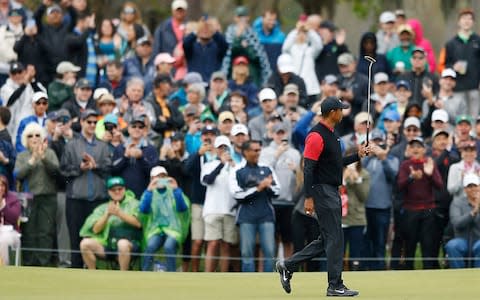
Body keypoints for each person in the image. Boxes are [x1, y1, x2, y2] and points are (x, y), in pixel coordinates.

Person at [276, 96, 369, 297]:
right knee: (335, 238)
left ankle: (288, 265)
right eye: (341, 109)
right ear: (332, 112)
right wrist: (309, 197)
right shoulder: (316, 136)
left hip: (330, 190)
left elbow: (334, 164)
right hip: (322, 191)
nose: (343, 112)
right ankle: (334, 285)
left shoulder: (332, 135)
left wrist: (357, 155)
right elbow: (308, 168)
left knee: (327, 239)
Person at [60, 109, 112, 268]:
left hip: (97, 200)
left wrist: (95, 166)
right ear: (81, 122)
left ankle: (94, 273)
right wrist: (79, 168)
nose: (92, 125)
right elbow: (63, 171)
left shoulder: (103, 146)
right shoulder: (71, 145)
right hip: (76, 200)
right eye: (88, 122)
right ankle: (76, 272)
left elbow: (109, 169)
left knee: (95, 238)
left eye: (95, 123)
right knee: (75, 240)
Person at [229, 140, 280, 272]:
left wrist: (267, 187)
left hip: (266, 215)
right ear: (245, 152)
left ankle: (269, 282)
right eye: (255, 150)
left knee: (269, 252)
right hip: (246, 216)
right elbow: (237, 194)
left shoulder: (267, 168)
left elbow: (277, 190)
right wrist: (258, 188)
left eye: (259, 150)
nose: (258, 153)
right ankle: (248, 282)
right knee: (246, 253)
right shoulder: (237, 170)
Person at [14, 122, 60, 266]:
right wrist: (32, 160)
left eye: (37, 135)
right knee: (28, 232)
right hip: (28, 199)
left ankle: (44, 263)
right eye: (30, 136)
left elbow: (56, 172)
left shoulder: (50, 153)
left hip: (48, 197)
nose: (34, 138)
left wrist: (44, 158)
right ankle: (28, 263)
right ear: (25, 139)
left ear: (42, 137)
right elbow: (17, 174)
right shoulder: (22, 155)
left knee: (45, 232)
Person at [397, 137, 443, 269]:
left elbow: (439, 185)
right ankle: (409, 273)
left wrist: (429, 174)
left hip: (428, 210)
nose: (416, 149)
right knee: (410, 244)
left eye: (419, 146)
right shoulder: (405, 165)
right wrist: (411, 177)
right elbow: (399, 186)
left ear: (424, 149)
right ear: (409, 149)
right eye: (413, 146)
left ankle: (428, 273)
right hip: (411, 210)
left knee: (428, 244)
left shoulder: (429, 163)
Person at [79, 176, 142, 270]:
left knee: (122, 244)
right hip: (108, 245)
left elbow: (138, 223)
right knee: (85, 243)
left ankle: (123, 277)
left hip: (131, 244)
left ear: (124, 189)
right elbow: (95, 230)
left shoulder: (135, 204)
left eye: (120, 189)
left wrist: (119, 213)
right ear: (108, 192)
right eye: (113, 190)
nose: (117, 192)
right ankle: (92, 274)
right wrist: (107, 214)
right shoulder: (103, 208)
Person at [140, 166, 190, 272]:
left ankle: (171, 272)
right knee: (150, 246)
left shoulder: (174, 191)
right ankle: (145, 272)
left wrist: (176, 189)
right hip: (155, 230)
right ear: (151, 179)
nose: (160, 180)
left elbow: (182, 209)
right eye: (157, 177)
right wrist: (149, 190)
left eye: (163, 177)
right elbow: (144, 211)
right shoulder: (148, 193)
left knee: (169, 246)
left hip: (174, 229)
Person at [201, 136, 237, 272]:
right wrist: (222, 164)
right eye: (220, 147)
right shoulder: (208, 165)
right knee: (213, 243)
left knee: (226, 245)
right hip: (212, 209)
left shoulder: (235, 166)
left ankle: (223, 276)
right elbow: (208, 180)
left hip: (229, 210)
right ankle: (208, 275)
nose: (223, 150)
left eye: (225, 147)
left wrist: (232, 166)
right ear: (215, 150)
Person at [444, 8, 480, 118]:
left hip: (475, 87)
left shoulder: (478, 41)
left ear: (473, 22)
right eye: (464, 18)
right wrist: (453, 67)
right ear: (459, 22)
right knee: (459, 118)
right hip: (457, 88)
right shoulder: (451, 43)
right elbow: (446, 64)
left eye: (470, 19)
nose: (467, 21)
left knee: (473, 118)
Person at [445, 173, 480, 268]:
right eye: (469, 186)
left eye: (475, 186)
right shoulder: (457, 202)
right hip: (462, 239)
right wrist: (473, 212)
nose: (473, 189)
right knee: (452, 246)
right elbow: (457, 223)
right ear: (465, 189)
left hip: (479, 239)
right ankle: (458, 276)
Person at [0, 175, 21, 266]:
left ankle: (3, 266)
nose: (0, 188)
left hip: (11, 232)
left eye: (2, 185)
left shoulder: (13, 199)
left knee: (2, 239)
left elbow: (14, 217)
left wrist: (3, 206)